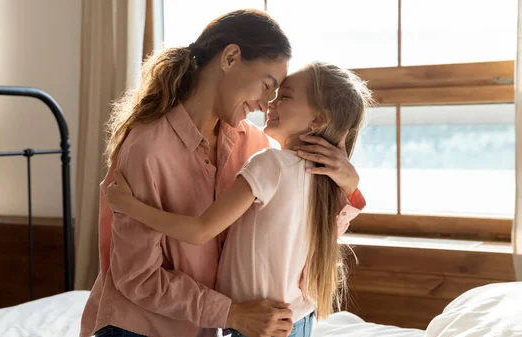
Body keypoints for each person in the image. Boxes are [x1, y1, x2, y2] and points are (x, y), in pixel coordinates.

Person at [80, 9, 363, 337]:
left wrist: (348, 187)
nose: (265, 104)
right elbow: (138, 278)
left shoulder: (255, 146)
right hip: (140, 328)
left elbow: (298, 234)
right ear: (230, 57)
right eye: (267, 86)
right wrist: (232, 313)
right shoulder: (147, 148)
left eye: (278, 95)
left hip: (211, 328)